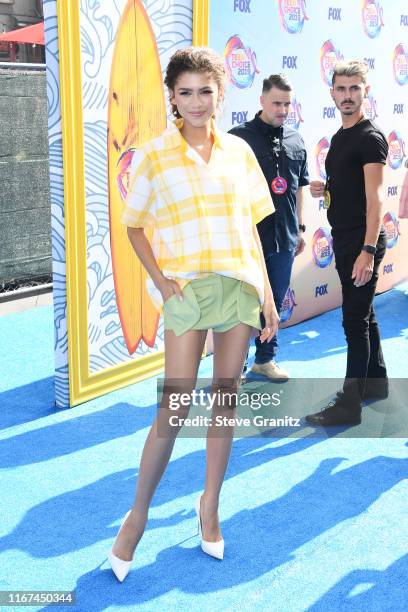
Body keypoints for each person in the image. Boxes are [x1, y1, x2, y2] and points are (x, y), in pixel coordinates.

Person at [108, 46, 279, 581]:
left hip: (239, 289)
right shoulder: (155, 156)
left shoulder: (239, 153)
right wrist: (161, 282)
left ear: (219, 93)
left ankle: (210, 506)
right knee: (175, 406)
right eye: (186, 92)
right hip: (187, 291)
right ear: (173, 97)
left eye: (206, 91)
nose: (197, 102)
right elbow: (134, 225)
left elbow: (250, 230)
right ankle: (136, 518)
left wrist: (268, 296)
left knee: (224, 401)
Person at [306, 59, 389, 427]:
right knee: (364, 315)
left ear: (365, 91)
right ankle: (376, 384)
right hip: (346, 238)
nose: (348, 96)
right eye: (341, 89)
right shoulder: (341, 137)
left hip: (361, 242)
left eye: (355, 88)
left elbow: (376, 201)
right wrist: (328, 189)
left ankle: (349, 405)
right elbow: (352, 189)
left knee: (353, 322)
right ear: (332, 94)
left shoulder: (369, 138)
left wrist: (367, 252)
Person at [229, 74, 309, 380]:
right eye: (277, 103)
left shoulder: (296, 139)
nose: (283, 109)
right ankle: (233, 366)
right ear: (262, 100)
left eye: (287, 104)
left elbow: (299, 186)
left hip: (285, 237)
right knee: (242, 307)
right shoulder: (237, 138)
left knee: (273, 301)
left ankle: (265, 359)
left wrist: (300, 227)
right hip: (248, 240)